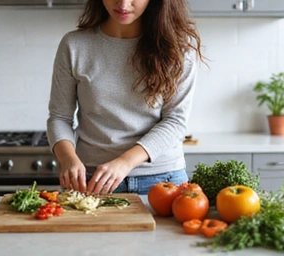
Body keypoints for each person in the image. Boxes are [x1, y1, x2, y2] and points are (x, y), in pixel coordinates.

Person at [47, 0, 205, 195]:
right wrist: (68, 158)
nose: (123, 3)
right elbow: (59, 117)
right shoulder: (74, 45)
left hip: (162, 180)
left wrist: (124, 163)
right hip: (92, 181)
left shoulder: (178, 50)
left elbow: (175, 122)